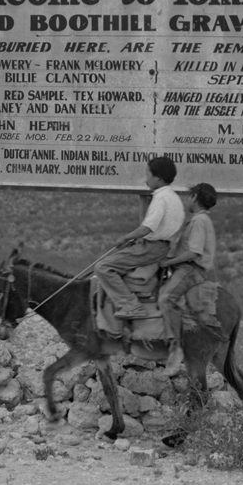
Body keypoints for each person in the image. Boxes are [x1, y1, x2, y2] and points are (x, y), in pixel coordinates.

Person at [96, 156, 185, 319]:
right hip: (162, 245)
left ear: (158, 178)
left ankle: (131, 306)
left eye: (148, 175)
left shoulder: (160, 198)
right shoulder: (173, 197)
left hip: (152, 247)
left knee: (103, 267)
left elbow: (148, 227)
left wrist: (126, 238)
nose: (146, 180)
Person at [157, 182, 218, 376]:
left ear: (194, 197)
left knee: (165, 299)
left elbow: (193, 252)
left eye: (189, 195)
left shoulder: (199, 221)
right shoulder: (199, 220)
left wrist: (169, 262)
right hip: (187, 267)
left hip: (191, 270)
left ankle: (176, 349)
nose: (187, 199)